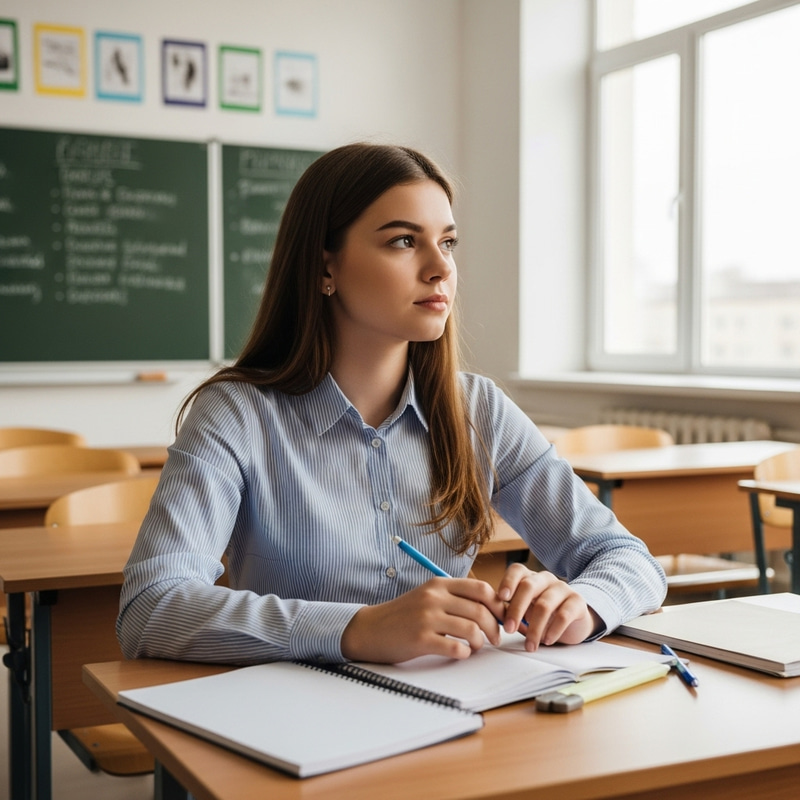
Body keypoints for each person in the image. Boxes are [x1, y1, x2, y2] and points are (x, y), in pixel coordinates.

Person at [117, 142, 666, 666]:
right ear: (325, 267)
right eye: (404, 241)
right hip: (302, 720)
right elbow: (151, 607)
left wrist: (582, 603)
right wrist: (358, 629)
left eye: (447, 242)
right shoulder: (236, 414)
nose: (440, 268)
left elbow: (629, 560)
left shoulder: (477, 410)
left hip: (459, 712)